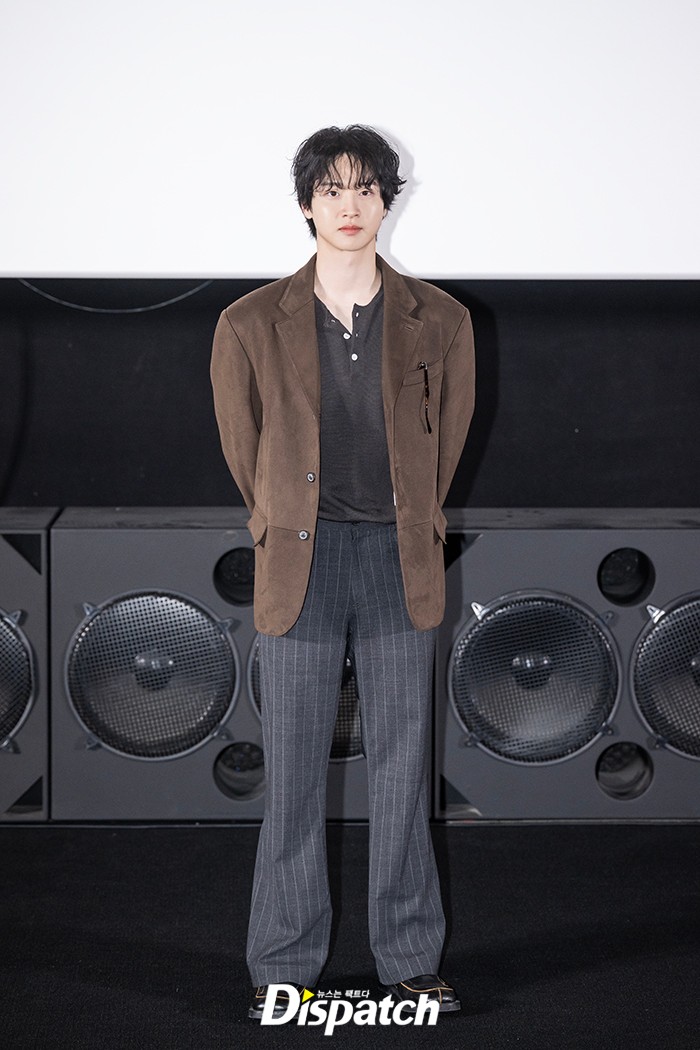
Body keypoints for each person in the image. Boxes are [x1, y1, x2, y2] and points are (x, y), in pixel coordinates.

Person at [210, 125, 475, 1021]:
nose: (350, 205)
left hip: (399, 562)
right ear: (306, 204)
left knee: (403, 773)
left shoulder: (442, 320)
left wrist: (412, 519)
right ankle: (284, 964)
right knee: (292, 775)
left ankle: (410, 959)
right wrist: (281, 522)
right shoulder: (249, 322)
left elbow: (447, 445)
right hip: (305, 562)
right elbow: (244, 450)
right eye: (332, 190)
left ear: (388, 201)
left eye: (366, 188)